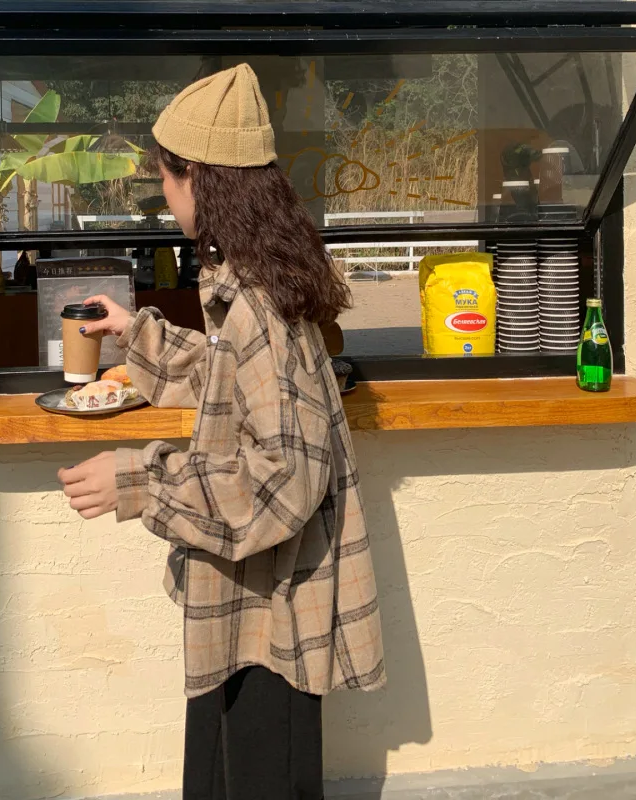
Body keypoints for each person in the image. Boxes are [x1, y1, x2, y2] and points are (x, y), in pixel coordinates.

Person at [58, 63, 385, 800]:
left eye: (165, 176)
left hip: (269, 617)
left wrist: (139, 481)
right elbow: (228, 378)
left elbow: (285, 477)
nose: (164, 192)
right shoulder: (253, 288)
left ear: (199, 180)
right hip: (252, 606)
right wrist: (135, 334)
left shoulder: (258, 309)